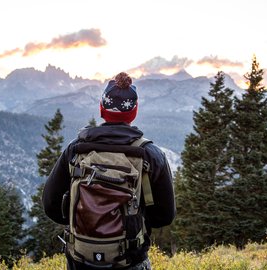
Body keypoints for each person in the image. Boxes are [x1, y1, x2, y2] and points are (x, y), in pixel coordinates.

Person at [43, 72, 176, 270]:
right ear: (134, 111)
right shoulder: (150, 155)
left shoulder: (76, 150)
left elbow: (50, 204)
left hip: (80, 259)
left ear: (101, 108)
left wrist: (84, 222)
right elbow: (165, 216)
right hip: (130, 260)